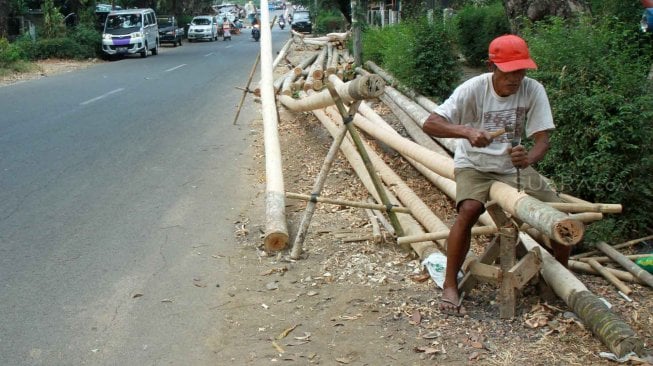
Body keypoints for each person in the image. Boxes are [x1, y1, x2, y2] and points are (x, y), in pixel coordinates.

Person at [422, 34, 569, 316]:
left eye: (521, 71)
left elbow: (542, 140)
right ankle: (451, 285)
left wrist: (528, 158)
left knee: (558, 216)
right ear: (492, 66)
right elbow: (431, 123)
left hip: (514, 168)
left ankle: (561, 280)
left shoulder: (533, 90)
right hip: (474, 165)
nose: (515, 78)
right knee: (469, 209)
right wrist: (466, 131)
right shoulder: (473, 89)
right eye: (509, 72)